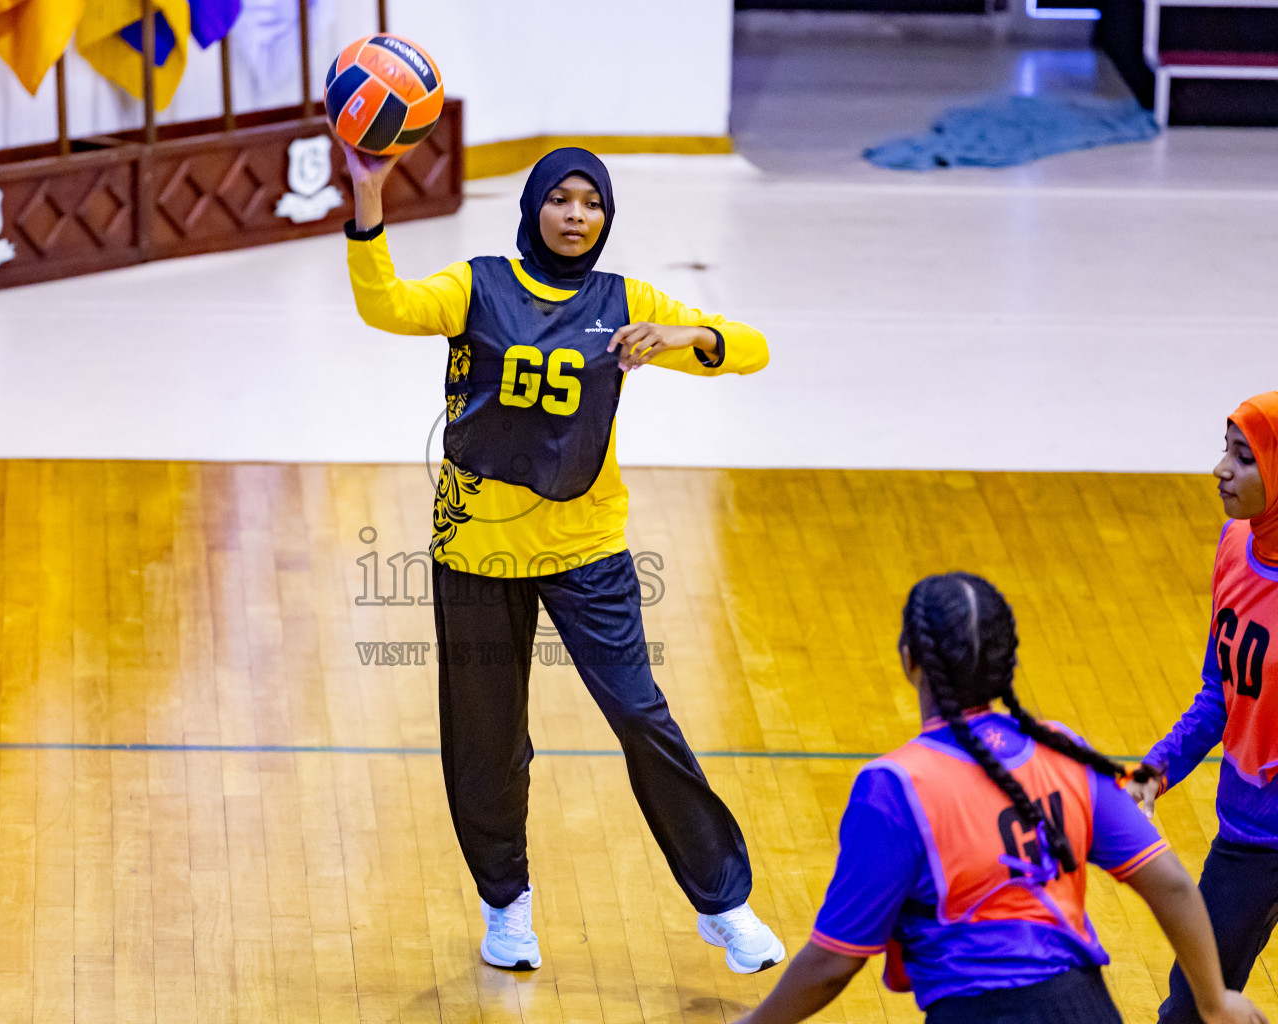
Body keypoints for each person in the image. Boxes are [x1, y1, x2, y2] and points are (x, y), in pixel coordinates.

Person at [341, 142, 782, 974]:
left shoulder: (626, 301)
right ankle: (506, 907)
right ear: (533, 206)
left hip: (588, 549)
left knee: (642, 717)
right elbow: (386, 306)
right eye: (561, 199)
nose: (577, 215)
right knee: (487, 743)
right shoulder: (478, 284)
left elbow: (751, 347)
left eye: (592, 203)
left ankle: (724, 905)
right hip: (477, 549)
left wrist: (685, 332)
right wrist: (369, 200)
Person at [736, 572, 1265, 1024]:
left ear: (909, 660)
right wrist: (1214, 1000)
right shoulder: (1062, 752)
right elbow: (1171, 883)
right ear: (1005, 665)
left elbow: (834, 962)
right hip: (1087, 1009)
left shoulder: (896, 786)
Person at [1127, 391, 1278, 1024]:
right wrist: (1155, 770)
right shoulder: (1232, 546)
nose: (1221, 469)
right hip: (1250, 834)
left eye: (1243, 457)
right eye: (1226, 450)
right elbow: (1219, 691)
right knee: (1191, 1010)